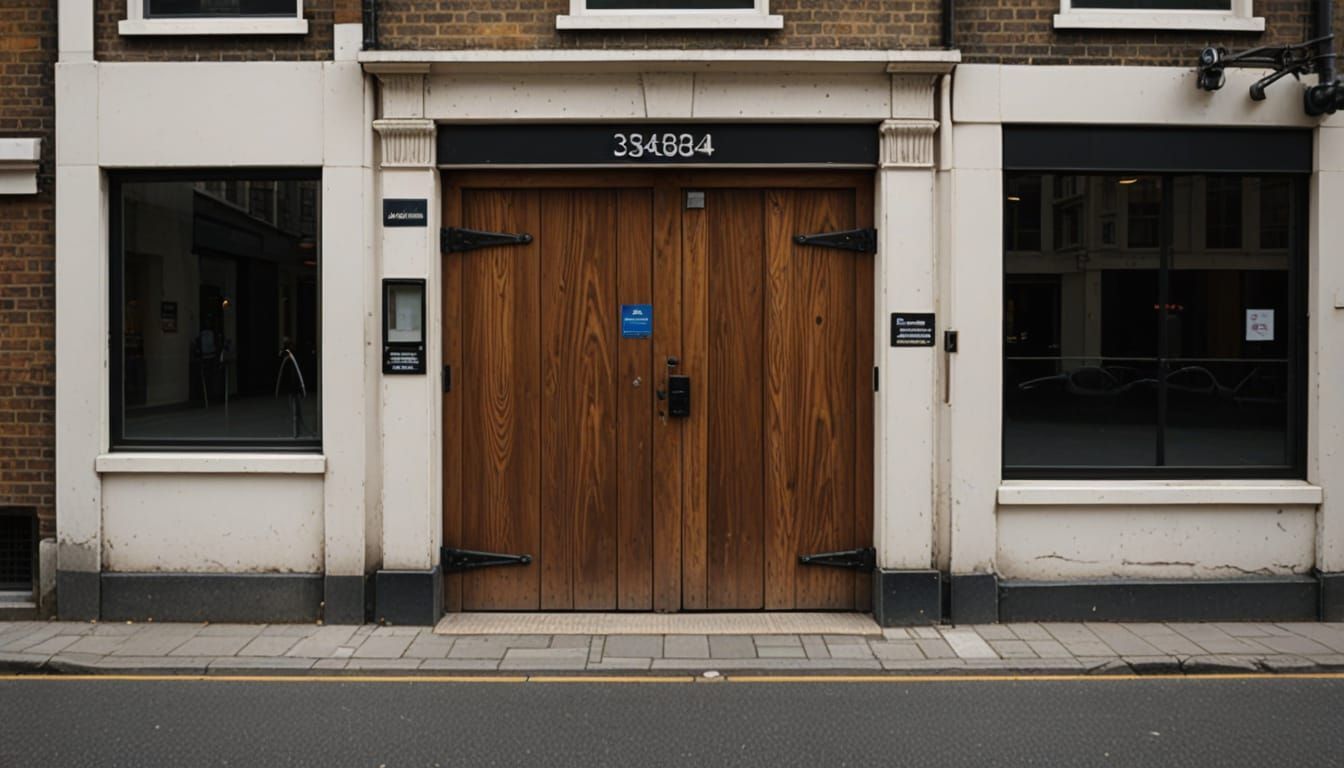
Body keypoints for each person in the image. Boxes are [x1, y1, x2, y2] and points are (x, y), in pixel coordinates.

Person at [275, 338, 307, 438]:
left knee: (296, 412)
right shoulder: (286, 356)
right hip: (290, 387)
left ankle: (296, 433)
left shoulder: (293, 357)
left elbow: (297, 372)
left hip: (294, 387)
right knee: (293, 412)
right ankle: (294, 433)